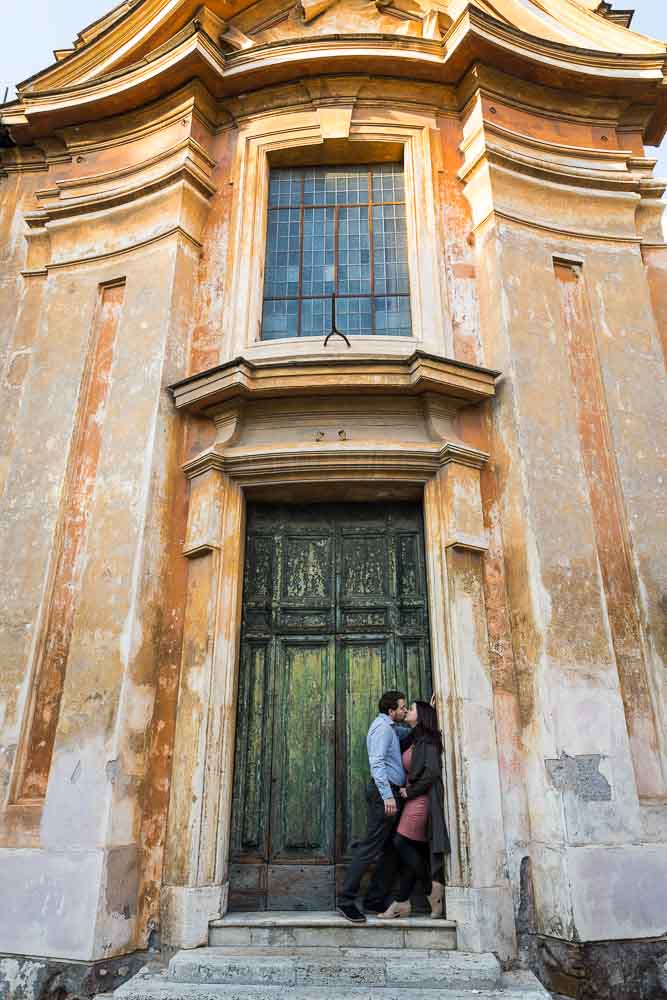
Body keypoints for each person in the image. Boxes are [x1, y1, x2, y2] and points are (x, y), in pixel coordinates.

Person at [336, 690, 410, 924]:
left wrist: (424, 714)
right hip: (384, 794)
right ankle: (346, 901)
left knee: (392, 848)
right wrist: (387, 795)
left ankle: (374, 899)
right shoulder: (382, 728)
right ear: (391, 711)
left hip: (391, 793)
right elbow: (376, 762)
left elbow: (408, 733)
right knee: (369, 847)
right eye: (402, 707)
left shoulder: (390, 727)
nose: (404, 710)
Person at [378, 699, 450, 920]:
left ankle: (431, 889)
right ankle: (401, 902)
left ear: (421, 716)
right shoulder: (414, 737)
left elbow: (432, 773)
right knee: (413, 849)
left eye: (412, 708)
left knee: (400, 842)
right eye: (406, 707)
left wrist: (410, 792)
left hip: (419, 800)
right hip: (412, 799)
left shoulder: (428, 742)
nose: (407, 710)